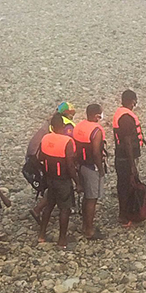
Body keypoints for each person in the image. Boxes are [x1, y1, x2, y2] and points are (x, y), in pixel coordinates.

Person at [37, 115, 79, 247]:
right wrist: (77, 182)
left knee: (49, 206)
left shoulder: (45, 138)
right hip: (63, 180)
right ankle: (62, 240)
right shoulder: (67, 141)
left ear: (52, 127)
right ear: (62, 126)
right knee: (64, 209)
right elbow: (70, 165)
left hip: (50, 178)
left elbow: (41, 157)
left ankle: (42, 235)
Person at [71, 103, 107, 240]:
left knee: (86, 197)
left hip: (80, 165)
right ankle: (90, 230)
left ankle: (85, 225)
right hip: (92, 167)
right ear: (96, 114)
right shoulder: (96, 130)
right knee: (92, 198)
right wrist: (101, 169)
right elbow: (96, 152)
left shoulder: (79, 126)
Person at [113, 90, 145, 226]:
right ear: (131, 101)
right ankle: (124, 215)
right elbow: (126, 141)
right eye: (135, 101)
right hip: (125, 159)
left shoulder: (120, 113)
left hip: (121, 156)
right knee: (125, 186)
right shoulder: (126, 117)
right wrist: (132, 164)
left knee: (124, 184)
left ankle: (125, 213)